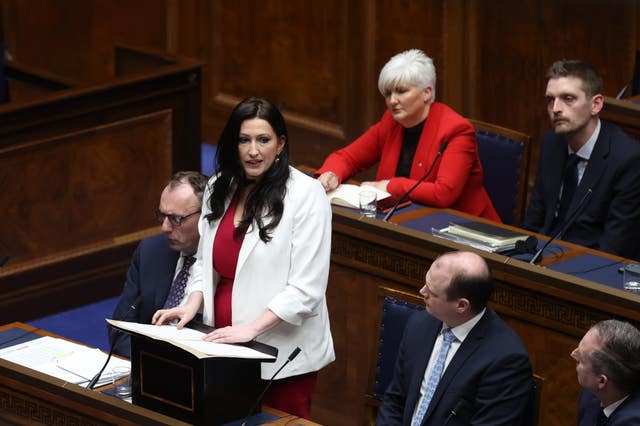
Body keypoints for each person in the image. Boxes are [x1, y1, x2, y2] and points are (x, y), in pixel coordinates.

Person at [152, 97, 335, 419]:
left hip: (278, 351)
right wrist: (192, 302)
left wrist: (251, 329)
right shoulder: (220, 186)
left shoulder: (307, 195)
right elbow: (205, 261)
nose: (253, 151)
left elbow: (306, 290)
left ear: (280, 145)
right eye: (244, 140)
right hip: (219, 345)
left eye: (263, 140)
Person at [315, 49, 500, 221]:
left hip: (464, 229)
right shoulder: (392, 122)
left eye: (401, 91)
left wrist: (389, 186)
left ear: (427, 92)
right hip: (407, 219)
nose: (392, 101)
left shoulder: (457, 130)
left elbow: (444, 193)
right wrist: (332, 174)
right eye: (388, 93)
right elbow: (348, 157)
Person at [377, 251, 533, 425]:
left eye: (433, 292)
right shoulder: (420, 324)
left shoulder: (506, 360)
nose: (422, 291)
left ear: (461, 305)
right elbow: (395, 400)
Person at [523, 60, 640, 259]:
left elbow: (614, 247)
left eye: (568, 98)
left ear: (596, 104)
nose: (556, 108)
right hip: (542, 257)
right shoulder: (552, 143)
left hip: (591, 267)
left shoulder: (627, 159)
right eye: (551, 100)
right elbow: (534, 221)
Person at [109, 171, 207, 358]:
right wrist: (154, 366)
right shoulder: (151, 251)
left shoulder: (225, 266)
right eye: (162, 216)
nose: (165, 227)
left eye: (176, 219)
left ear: (206, 216)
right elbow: (120, 330)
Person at [572, 319, 640, 425]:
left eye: (581, 359)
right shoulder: (592, 393)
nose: (573, 354)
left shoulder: (630, 422)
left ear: (602, 381)